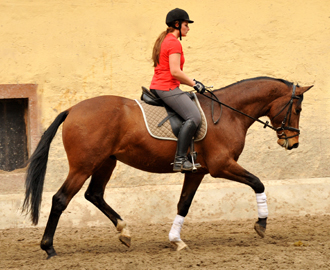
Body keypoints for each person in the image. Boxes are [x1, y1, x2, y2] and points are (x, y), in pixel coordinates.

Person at [150, 8, 206, 172]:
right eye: (186, 24)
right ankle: (180, 160)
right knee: (194, 116)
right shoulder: (173, 42)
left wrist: (192, 81)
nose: (188, 27)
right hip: (166, 87)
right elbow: (175, 71)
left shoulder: (165, 40)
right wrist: (194, 84)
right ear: (177, 24)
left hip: (162, 85)